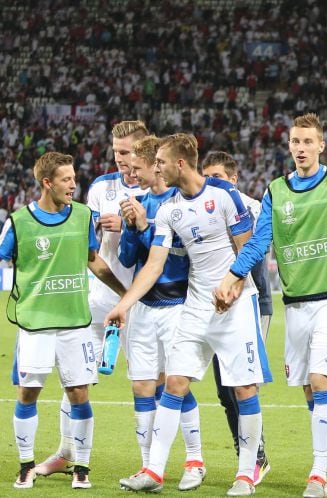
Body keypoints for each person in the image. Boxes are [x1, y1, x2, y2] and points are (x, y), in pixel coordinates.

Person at [216, 114, 327, 498]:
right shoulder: (276, 191)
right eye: (295, 142)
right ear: (289, 146)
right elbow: (259, 242)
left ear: (321, 145)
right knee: (308, 390)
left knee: (321, 381)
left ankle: (318, 473)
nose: (300, 148)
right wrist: (235, 273)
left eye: (307, 142)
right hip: (296, 306)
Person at [105, 133, 269, 496]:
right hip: (196, 306)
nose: (156, 168)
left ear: (180, 163)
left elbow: (248, 248)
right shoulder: (167, 210)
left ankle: (246, 473)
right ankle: (153, 471)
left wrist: (234, 284)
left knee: (243, 387)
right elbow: (153, 265)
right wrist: (123, 304)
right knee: (174, 384)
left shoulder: (223, 195)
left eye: (161, 161)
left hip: (237, 304)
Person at [5, 152, 127, 489]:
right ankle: (26, 465)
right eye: (66, 179)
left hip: (76, 324)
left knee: (79, 394)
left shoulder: (84, 216)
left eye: (74, 178)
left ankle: (81, 469)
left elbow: (93, 259)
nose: (74, 184)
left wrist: (124, 292)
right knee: (28, 393)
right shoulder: (18, 222)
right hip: (35, 324)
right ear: (47, 183)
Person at [34, 120, 147, 478]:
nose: (120, 159)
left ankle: (150, 465)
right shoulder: (101, 187)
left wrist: (136, 224)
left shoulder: (158, 187)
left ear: (143, 150)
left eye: (127, 152)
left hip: (144, 301)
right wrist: (104, 222)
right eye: (116, 151)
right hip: (99, 298)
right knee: (75, 379)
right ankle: (67, 453)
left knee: (146, 383)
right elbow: (91, 245)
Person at [116, 135, 205, 490]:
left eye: (137, 167)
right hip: (143, 306)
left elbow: (179, 249)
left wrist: (146, 226)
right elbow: (127, 259)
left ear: (157, 165)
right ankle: (148, 466)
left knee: (175, 383)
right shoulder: (137, 202)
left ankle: (195, 460)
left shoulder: (178, 199)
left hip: (176, 303)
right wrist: (132, 228)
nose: (132, 174)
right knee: (141, 384)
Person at [201, 151, 272, 484]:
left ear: (233, 178)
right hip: (215, 306)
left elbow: (253, 261)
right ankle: (245, 451)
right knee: (223, 390)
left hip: (250, 306)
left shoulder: (252, 208)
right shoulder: (204, 207)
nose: (210, 182)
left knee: (242, 385)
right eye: (207, 176)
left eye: (216, 177)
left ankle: (255, 457)